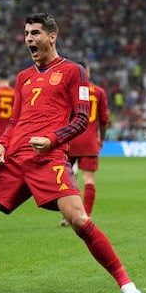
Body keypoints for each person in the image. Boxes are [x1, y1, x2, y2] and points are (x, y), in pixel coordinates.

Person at [0, 13, 146, 293]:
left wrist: (52, 139)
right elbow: (14, 122)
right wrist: (1, 146)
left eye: (35, 33)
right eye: (26, 33)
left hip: (49, 158)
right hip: (12, 159)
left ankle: (126, 283)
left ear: (52, 36)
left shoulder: (74, 71)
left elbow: (82, 118)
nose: (28, 39)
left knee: (78, 218)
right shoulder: (23, 77)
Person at [60, 61, 109, 226]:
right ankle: (85, 216)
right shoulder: (99, 92)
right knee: (88, 179)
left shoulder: (70, 89)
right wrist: (101, 138)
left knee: (66, 179)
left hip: (70, 139)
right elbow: (104, 120)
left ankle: (69, 214)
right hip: (89, 142)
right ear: (87, 72)